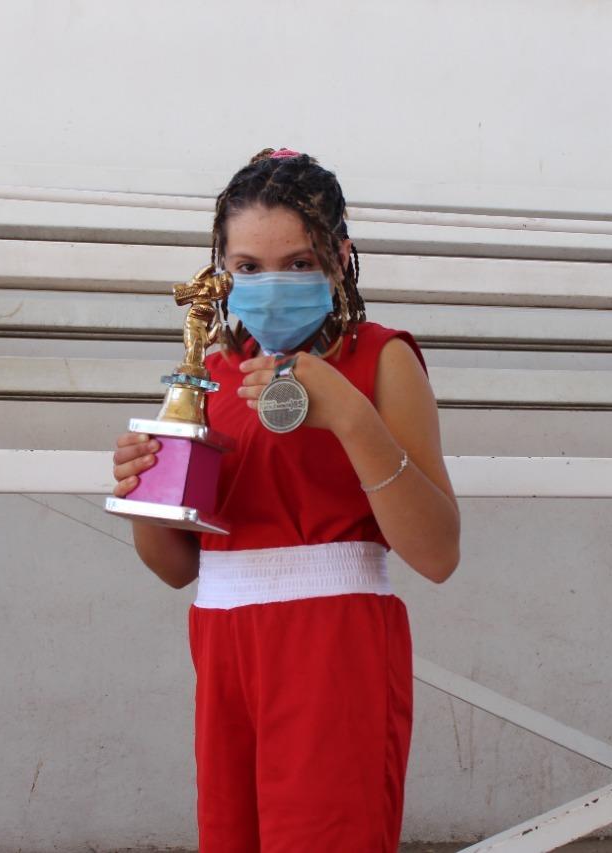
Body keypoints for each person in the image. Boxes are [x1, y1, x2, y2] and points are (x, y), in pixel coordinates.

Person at [111, 148, 460, 852]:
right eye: (248, 267)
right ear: (222, 270)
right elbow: (178, 568)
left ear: (340, 259)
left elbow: (437, 553)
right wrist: (143, 492)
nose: (271, 284)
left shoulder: (382, 357)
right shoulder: (208, 375)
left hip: (334, 643)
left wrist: (350, 416)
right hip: (224, 643)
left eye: (298, 263)